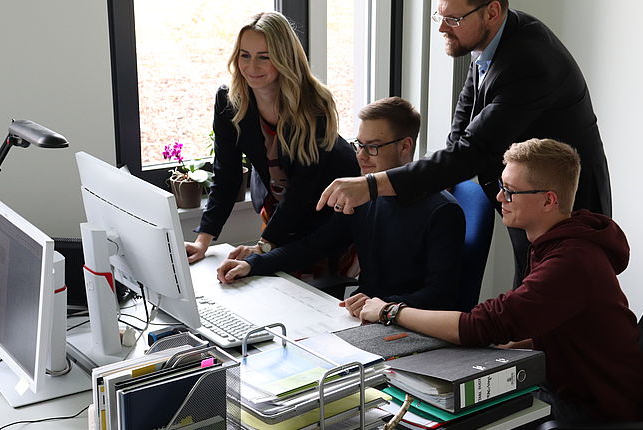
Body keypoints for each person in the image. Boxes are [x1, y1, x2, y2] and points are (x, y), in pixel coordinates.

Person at [317, 0, 611, 288]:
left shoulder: (528, 61)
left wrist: (371, 185)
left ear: (492, 12)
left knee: (559, 302)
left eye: (454, 19)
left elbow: (472, 151)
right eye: (440, 16)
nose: (443, 27)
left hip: (566, 203)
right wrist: (434, 179)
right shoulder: (487, 40)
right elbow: (461, 131)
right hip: (526, 193)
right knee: (531, 297)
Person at [357, 139, 643, 424]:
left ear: (549, 200)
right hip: (570, 383)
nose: (499, 199)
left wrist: (390, 311)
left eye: (510, 191)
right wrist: (508, 346)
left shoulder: (570, 263)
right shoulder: (558, 244)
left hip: (595, 411)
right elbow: (554, 329)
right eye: (501, 188)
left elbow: (479, 326)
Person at [216, 97, 466, 313]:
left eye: (373, 147)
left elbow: (440, 296)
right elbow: (313, 246)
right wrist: (253, 263)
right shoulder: (364, 196)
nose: (361, 156)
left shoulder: (442, 211)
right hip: (366, 319)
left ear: (405, 146)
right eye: (359, 145)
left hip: (410, 327)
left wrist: (384, 307)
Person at [186, 11, 359, 264]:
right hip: (283, 208)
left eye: (264, 58)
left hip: (328, 211)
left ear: (284, 59)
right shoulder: (229, 100)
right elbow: (227, 174)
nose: (251, 67)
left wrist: (264, 245)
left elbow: (303, 188)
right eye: (245, 55)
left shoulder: (313, 103)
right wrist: (203, 240)